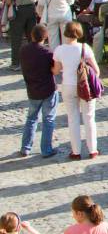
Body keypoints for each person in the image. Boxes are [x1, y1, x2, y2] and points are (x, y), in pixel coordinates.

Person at [53, 22, 101, 160]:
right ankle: (93, 150)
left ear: (65, 33)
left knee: (72, 118)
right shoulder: (85, 48)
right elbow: (96, 71)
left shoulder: (59, 50)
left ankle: (76, 151)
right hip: (84, 85)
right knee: (89, 117)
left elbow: (56, 70)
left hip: (67, 85)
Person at [18, 24, 58, 159]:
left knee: (31, 119)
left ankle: (25, 148)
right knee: (48, 119)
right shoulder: (48, 53)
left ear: (32, 35)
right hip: (48, 90)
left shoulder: (24, 50)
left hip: (32, 90)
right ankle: (46, 149)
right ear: (45, 37)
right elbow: (54, 70)